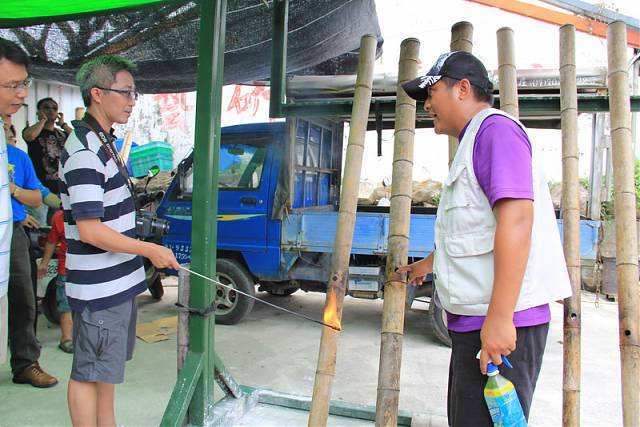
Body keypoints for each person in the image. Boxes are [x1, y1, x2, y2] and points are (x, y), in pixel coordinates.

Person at [399, 51, 572, 426]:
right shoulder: (474, 140)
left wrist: (499, 320)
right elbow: (476, 228)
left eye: (431, 93)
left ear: (462, 88)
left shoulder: (495, 132)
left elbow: (517, 220)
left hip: (501, 324)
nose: (426, 105)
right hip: (477, 323)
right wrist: (428, 264)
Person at [61, 55, 179, 426]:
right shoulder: (85, 151)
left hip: (117, 284)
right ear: (97, 93)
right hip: (99, 289)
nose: (131, 101)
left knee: (106, 371)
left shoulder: (105, 142)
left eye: (134, 93)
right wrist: (149, 249)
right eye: (125, 92)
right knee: (88, 373)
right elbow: (90, 230)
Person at [38, 209, 73, 353]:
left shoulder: (94, 215)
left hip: (86, 270)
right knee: (65, 306)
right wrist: (44, 263)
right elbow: (51, 241)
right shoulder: (60, 217)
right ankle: (66, 339)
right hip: (66, 270)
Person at [23, 97, 72, 194]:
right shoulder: (32, 130)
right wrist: (43, 120)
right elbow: (30, 136)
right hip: (40, 187)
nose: (51, 110)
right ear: (38, 112)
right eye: (46, 108)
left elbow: (79, 138)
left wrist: (63, 124)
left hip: (63, 187)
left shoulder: (62, 133)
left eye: (54, 108)